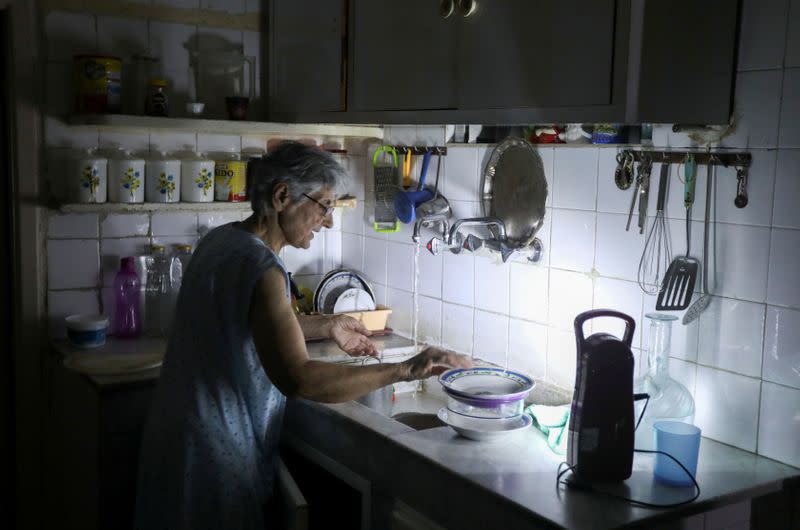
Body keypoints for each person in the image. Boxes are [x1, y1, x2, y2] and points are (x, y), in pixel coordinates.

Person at [134, 141, 472, 530]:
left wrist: (327, 325)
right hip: (217, 454)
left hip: (174, 441)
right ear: (282, 197)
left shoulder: (222, 241)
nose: (327, 220)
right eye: (324, 205)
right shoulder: (264, 269)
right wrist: (405, 370)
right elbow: (299, 378)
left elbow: (242, 323)